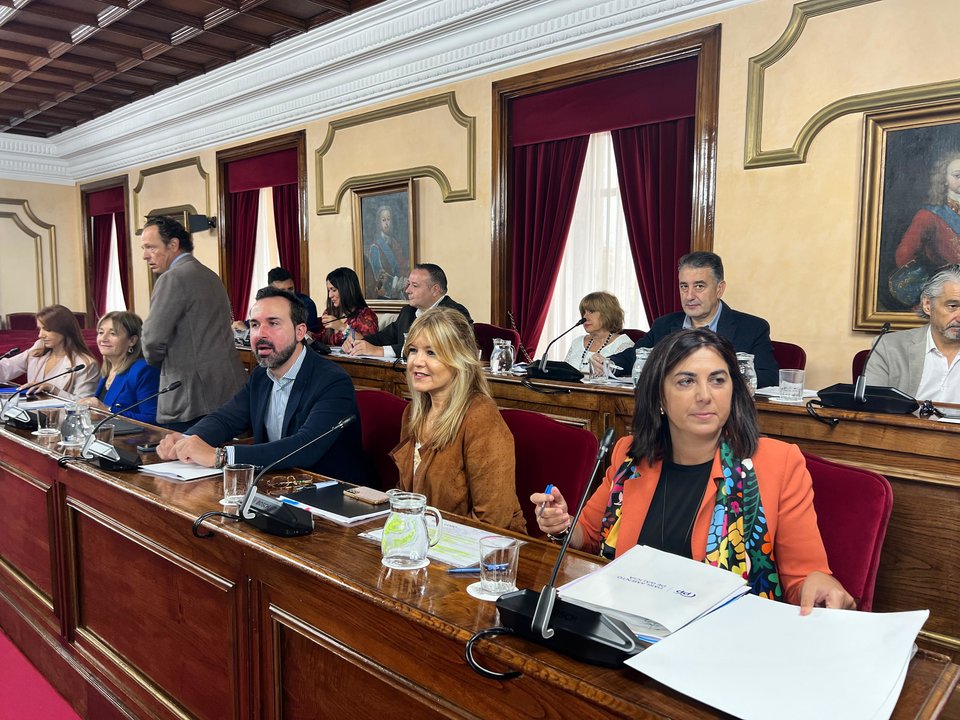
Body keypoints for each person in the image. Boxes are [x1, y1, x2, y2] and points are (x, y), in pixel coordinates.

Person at [537, 328, 854, 612]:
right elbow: (589, 535)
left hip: (726, 643)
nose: (705, 395)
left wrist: (823, 586)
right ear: (659, 395)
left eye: (717, 380)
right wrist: (561, 523)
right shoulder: (629, 456)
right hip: (629, 628)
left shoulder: (778, 463)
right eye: (686, 381)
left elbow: (804, 578)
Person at [157, 287, 365, 483]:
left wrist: (220, 456)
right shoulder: (261, 376)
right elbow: (226, 419)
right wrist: (186, 440)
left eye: (273, 323)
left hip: (332, 493)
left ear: (300, 332)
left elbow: (304, 447)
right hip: (276, 484)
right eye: (255, 324)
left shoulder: (333, 381)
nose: (260, 334)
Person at [390, 307, 526, 532]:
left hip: (483, 552)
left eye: (431, 352)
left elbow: (492, 520)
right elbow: (408, 495)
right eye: (413, 350)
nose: (417, 362)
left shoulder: (480, 417)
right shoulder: (413, 413)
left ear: (459, 359)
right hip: (424, 541)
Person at [600, 252, 779, 388]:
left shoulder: (752, 328)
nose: (689, 296)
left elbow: (768, 376)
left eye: (699, 286)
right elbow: (633, 357)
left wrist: (712, 379)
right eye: (684, 287)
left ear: (719, 289)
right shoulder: (664, 325)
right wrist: (607, 364)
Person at [141, 215, 247, 431]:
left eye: (151, 247)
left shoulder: (172, 278)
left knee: (185, 459)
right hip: (227, 388)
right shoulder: (211, 275)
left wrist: (159, 363)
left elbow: (151, 341)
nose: (145, 255)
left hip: (191, 396)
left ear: (173, 244)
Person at [865, 265, 960, 403]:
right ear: (927, 304)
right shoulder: (888, 347)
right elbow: (870, 406)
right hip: (904, 424)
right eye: (952, 306)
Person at [344, 263, 472, 358]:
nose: (407, 290)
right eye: (408, 284)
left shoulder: (455, 313)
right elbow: (384, 337)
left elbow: (435, 349)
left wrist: (379, 351)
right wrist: (358, 343)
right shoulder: (408, 312)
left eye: (415, 286)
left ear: (435, 290)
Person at [889, 151, 960, 307]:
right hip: (945, 296)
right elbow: (904, 254)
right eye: (958, 175)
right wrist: (931, 284)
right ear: (944, 179)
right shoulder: (928, 216)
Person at [78, 312, 161, 424]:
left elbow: (152, 419)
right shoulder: (108, 370)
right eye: (101, 332)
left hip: (134, 439)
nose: (103, 338)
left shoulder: (144, 370)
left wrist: (107, 411)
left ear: (132, 340)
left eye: (113, 334)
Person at [0, 305, 99, 397]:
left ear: (64, 330)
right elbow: (6, 369)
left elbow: (84, 405)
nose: (40, 335)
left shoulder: (86, 364)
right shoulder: (39, 347)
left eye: (46, 329)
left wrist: (53, 389)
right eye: (40, 329)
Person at [562, 292, 634, 374]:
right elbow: (564, 374)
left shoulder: (623, 344)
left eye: (591, 312)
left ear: (608, 314)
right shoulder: (577, 342)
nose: (585, 317)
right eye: (584, 312)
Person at [233, 267, 320, 334]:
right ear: (271, 290)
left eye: (290, 289)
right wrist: (242, 326)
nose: (288, 294)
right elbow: (252, 323)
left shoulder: (306, 304)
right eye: (282, 291)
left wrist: (248, 331)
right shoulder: (268, 303)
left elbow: (292, 334)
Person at [318, 267, 378, 346]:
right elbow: (320, 339)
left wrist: (342, 327)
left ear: (346, 290)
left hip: (353, 358)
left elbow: (369, 344)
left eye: (334, 290)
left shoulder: (366, 315)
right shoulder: (329, 312)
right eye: (329, 290)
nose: (330, 295)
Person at [367, 205, 408, 300]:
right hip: (385, 297)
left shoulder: (395, 243)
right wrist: (398, 284)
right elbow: (378, 274)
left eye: (388, 219)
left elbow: (402, 265)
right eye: (383, 220)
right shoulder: (375, 247)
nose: (386, 223)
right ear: (379, 223)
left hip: (398, 294)